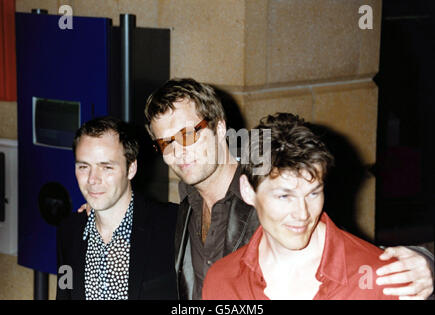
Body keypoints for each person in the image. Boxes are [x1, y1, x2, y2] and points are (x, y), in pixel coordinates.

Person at [144, 78, 434, 300]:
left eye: (188, 135)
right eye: (165, 143)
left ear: (220, 129)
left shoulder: (272, 186)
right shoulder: (185, 205)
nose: (179, 152)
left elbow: (337, 252)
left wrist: (425, 261)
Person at [203, 113, 420, 299]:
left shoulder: (382, 277)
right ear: (248, 191)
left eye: (313, 193)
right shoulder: (222, 282)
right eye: (284, 196)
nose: (302, 213)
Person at [56, 116, 178, 300]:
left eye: (106, 167)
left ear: (131, 169)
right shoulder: (69, 231)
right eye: (83, 166)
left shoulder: (173, 224)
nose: (92, 180)